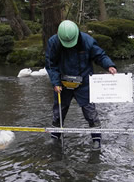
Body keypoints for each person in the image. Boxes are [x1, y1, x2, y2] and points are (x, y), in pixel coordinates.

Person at [45, 20, 117, 150]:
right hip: (62, 83)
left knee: (90, 112)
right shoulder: (53, 42)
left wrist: (109, 65)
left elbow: (100, 55)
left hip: (84, 82)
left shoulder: (87, 40)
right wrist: (55, 82)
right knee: (59, 111)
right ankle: (55, 138)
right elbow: (51, 64)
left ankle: (96, 140)